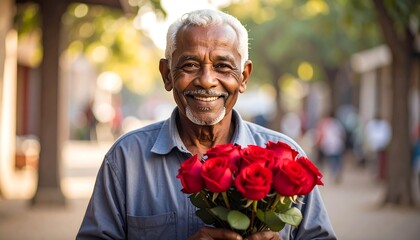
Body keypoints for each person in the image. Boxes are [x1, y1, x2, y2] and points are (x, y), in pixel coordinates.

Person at [77, 9, 336, 240]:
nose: (207, 80)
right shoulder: (125, 160)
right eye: (190, 65)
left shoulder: (286, 159)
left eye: (223, 66)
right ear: (167, 75)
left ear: (244, 77)